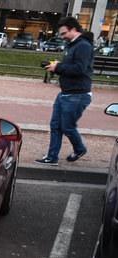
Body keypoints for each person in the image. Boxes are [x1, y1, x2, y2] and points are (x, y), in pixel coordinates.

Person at [36, 17, 94, 166]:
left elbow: (80, 68)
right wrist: (58, 65)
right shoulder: (72, 45)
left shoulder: (83, 45)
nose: (62, 37)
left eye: (63, 33)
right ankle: (52, 156)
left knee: (67, 126)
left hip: (77, 94)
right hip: (66, 93)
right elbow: (73, 66)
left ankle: (79, 148)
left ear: (73, 29)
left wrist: (58, 68)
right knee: (55, 125)